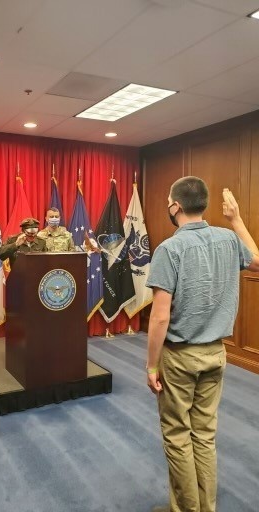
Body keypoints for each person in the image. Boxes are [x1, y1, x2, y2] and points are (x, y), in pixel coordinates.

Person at [145, 177, 259, 512]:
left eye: (168, 200)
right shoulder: (227, 238)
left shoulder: (169, 249)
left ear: (175, 206)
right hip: (217, 354)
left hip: (180, 357)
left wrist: (152, 365)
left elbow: (160, 317)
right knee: (204, 436)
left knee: (178, 437)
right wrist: (236, 219)